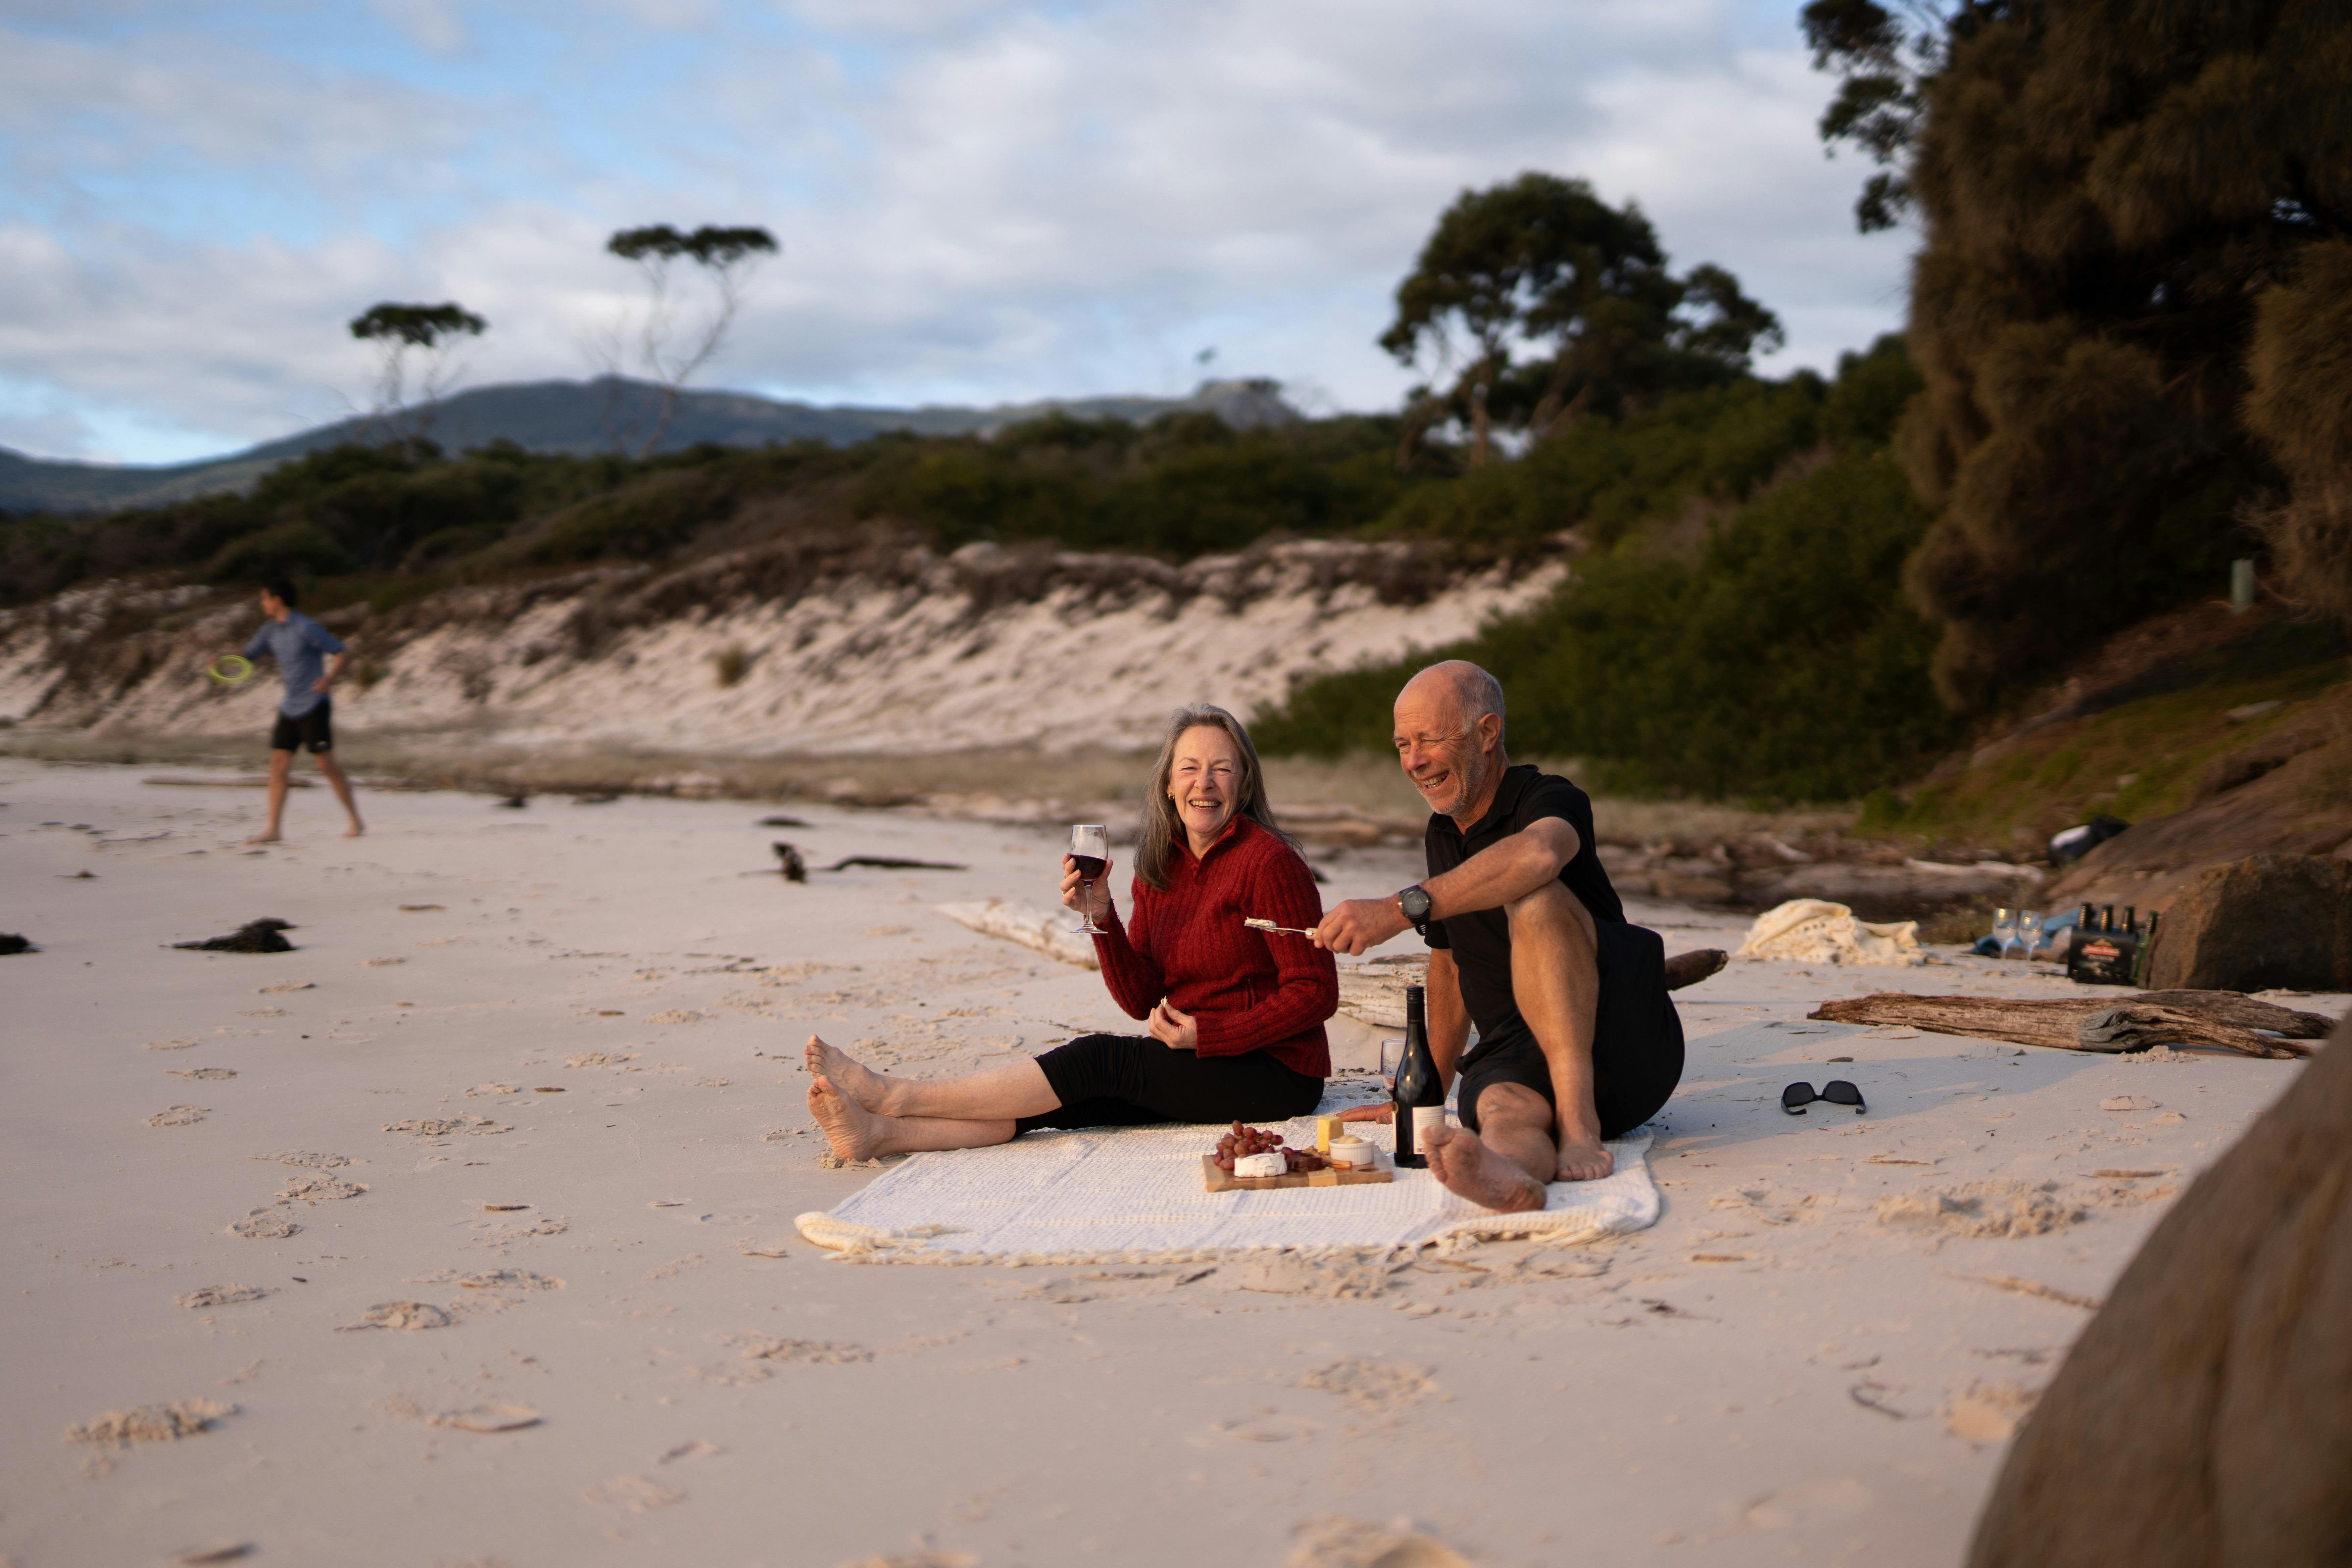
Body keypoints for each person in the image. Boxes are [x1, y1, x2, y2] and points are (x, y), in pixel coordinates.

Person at [806, 703, 1337, 1160]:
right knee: (1064, 1099)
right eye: (1190, 768)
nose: (1204, 783)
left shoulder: (1271, 863)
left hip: (1276, 1072)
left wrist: (1209, 1035)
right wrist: (1102, 918)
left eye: (1222, 769)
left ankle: (897, 1096)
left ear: (1243, 784)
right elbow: (1140, 999)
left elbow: (1315, 993)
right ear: (1169, 786)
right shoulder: (1160, 867)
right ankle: (882, 1135)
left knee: (1097, 1061)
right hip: (1200, 1058)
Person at [1314, 660, 1684, 1212]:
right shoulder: (1442, 832)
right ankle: (1507, 1175)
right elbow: (1450, 965)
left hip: (1617, 1040)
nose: (1413, 761)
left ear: (1487, 733)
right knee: (1504, 1115)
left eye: (1429, 740)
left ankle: (1578, 1126)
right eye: (1401, 745)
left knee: (1533, 893)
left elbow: (1539, 854)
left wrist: (1398, 909)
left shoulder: (1546, 797)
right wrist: (1425, 1096)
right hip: (1515, 1049)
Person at [234, 578, 363, 843]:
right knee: (278, 766)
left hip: (314, 704)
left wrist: (329, 680)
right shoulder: (271, 630)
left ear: (277, 600)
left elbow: (342, 653)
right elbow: (248, 654)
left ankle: (355, 820)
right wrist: (222, 660)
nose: (262, 604)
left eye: (264, 599)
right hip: (290, 706)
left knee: (325, 765)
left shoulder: (306, 628)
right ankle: (273, 829)